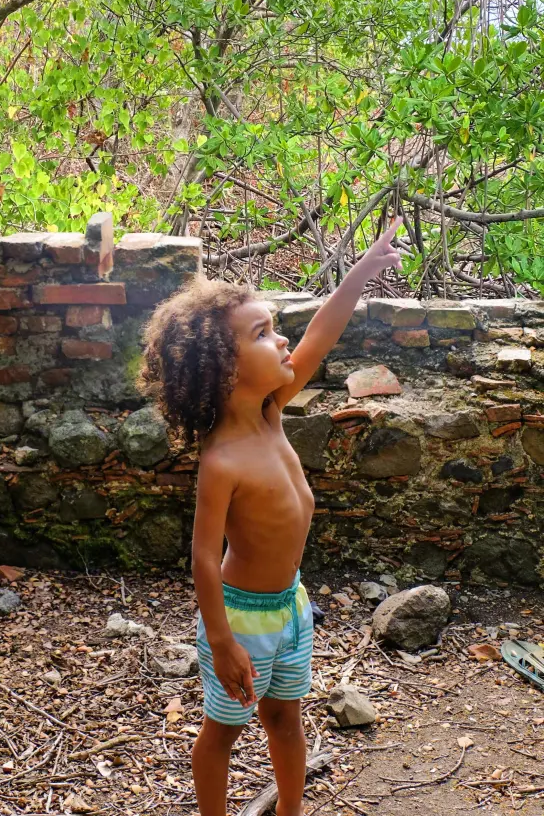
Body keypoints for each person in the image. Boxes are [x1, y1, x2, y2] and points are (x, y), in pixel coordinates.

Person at [140, 216, 403, 816]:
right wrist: (221, 640)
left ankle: (290, 810)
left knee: (285, 717)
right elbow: (204, 556)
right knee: (222, 735)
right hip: (241, 620)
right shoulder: (222, 459)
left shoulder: (271, 411)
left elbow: (317, 336)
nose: (282, 341)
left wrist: (360, 272)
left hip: (291, 606)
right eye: (263, 333)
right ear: (227, 369)